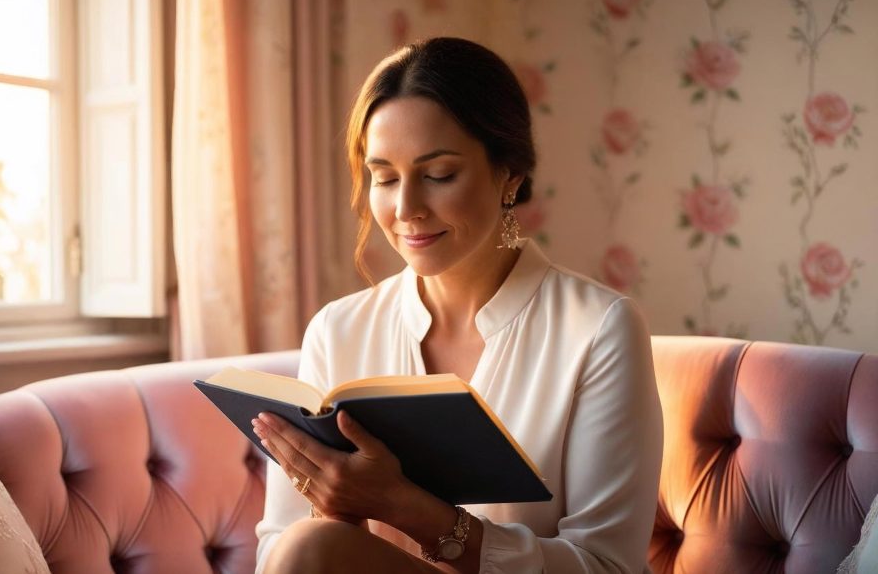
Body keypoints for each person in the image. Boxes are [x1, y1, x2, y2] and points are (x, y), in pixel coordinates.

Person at [252, 37, 663, 573]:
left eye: (439, 175)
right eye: (385, 178)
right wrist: (341, 508)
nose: (406, 209)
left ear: (509, 174)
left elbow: (608, 566)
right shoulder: (339, 330)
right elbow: (279, 551)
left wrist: (406, 507)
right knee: (305, 545)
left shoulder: (597, 329)